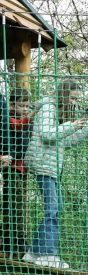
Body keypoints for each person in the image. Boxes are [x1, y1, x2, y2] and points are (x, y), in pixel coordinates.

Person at [22, 79, 88, 269]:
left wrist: (86, 129)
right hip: (43, 164)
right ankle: (48, 254)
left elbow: (64, 141)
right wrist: (72, 125)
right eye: (72, 98)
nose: (74, 103)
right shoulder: (48, 109)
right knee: (52, 209)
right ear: (63, 94)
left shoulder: (58, 111)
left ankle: (34, 252)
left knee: (57, 208)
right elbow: (47, 134)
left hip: (52, 166)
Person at [0, 88, 38, 256]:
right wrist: (31, 115)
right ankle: (12, 239)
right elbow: (16, 125)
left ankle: (17, 238)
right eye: (21, 105)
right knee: (14, 204)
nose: (25, 108)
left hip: (23, 167)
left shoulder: (28, 121)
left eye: (26, 105)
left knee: (20, 204)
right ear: (12, 104)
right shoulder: (6, 119)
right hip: (12, 166)